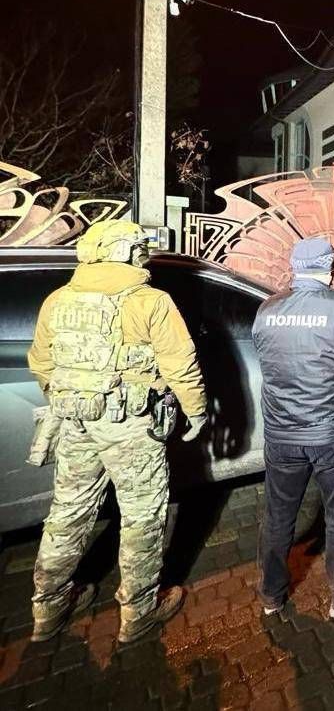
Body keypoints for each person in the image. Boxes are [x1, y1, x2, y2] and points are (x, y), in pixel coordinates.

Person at [27, 220, 208, 643]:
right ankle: (139, 611)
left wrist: (71, 396)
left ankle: (48, 607)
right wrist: (196, 411)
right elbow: (180, 365)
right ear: (126, 252)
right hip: (130, 427)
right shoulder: (150, 301)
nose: (144, 255)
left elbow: (41, 362)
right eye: (140, 248)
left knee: (68, 510)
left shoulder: (58, 300)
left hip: (75, 423)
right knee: (142, 514)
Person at [252, 237, 334, 620]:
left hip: (282, 433)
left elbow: (269, 362)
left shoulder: (266, 309)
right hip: (333, 435)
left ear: (294, 268)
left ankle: (271, 595)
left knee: (278, 515)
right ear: (330, 269)